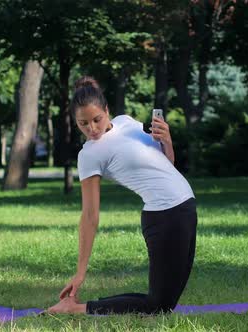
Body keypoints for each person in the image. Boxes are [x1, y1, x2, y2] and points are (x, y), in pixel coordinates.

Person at [47, 76, 197, 315]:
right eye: (83, 123)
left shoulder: (127, 122)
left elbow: (166, 164)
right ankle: (74, 309)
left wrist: (167, 140)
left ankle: (78, 308)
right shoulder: (90, 155)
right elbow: (89, 215)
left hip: (185, 209)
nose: (92, 129)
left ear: (107, 110)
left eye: (97, 119)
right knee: (158, 306)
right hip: (164, 215)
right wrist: (80, 272)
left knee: (162, 304)